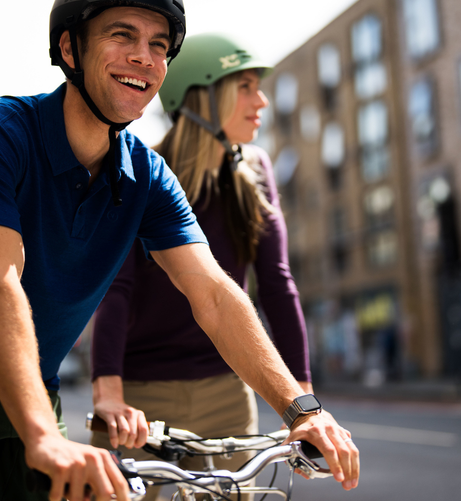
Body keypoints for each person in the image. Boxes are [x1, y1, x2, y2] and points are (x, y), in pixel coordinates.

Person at [0, 0, 359, 501]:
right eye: (123, 35)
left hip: (28, 399)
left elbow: (212, 292)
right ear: (69, 50)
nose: (145, 56)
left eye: (160, 45)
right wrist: (48, 434)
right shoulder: (4, 135)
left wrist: (302, 408)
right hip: (28, 405)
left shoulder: (147, 176)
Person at [90, 33, 314, 487]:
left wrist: (304, 402)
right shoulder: (142, 170)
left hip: (227, 390)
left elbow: (276, 283)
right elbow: (118, 286)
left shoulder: (255, 170)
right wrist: (108, 391)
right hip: (140, 393)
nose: (262, 101)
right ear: (204, 97)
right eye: (246, 86)